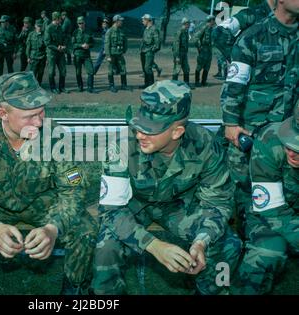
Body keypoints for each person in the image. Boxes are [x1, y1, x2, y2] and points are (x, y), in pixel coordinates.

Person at [0, 71, 98, 295]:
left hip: (45, 207)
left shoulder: (54, 135)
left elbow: (73, 190)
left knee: (86, 230)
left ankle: (73, 289)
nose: (38, 122)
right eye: (29, 116)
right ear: (3, 113)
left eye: (41, 112)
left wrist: (53, 228)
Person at [92, 80, 242, 295]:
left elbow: (218, 201)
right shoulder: (121, 147)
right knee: (106, 249)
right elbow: (111, 210)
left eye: (150, 130)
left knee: (228, 244)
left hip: (179, 205)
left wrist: (201, 241)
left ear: (176, 132)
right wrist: (153, 245)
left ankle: (212, 290)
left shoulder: (206, 145)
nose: (139, 135)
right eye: (137, 125)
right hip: (132, 205)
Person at [220, 0, 299, 235]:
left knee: (279, 185)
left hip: (287, 133)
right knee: (242, 187)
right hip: (249, 131)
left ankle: (274, 234)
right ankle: (239, 239)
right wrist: (231, 123)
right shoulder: (254, 36)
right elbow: (235, 83)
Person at [233, 103, 299, 295]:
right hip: (266, 211)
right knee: (268, 250)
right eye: (290, 142)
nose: (292, 152)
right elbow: (271, 210)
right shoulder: (270, 139)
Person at [44, 11, 69, 94]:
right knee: (51, 71)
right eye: (59, 19)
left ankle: (62, 87)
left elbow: (64, 38)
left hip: (60, 53)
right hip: (52, 53)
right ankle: (53, 88)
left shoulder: (60, 27)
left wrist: (64, 45)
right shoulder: (49, 28)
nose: (61, 20)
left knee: (63, 70)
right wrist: (56, 47)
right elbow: (47, 42)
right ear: (56, 19)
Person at [105, 15, 129, 93]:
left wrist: (124, 50)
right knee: (111, 70)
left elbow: (125, 41)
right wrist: (108, 55)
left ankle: (124, 85)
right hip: (112, 54)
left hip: (119, 53)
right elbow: (106, 44)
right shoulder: (110, 31)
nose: (122, 22)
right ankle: (111, 86)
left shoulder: (121, 31)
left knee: (123, 68)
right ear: (116, 21)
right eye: (120, 21)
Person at [72, 16, 96, 93]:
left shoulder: (89, 31)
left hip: (86, 55)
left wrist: (89, 45)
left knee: (91, 71)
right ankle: (80, 86)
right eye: (79, 23)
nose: (81, 25)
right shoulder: (75, 32)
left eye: (82, 23)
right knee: (78, 72)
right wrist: (81, 45)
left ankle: (90, 87)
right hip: (78, 55)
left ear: (84, 23)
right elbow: (72, 45)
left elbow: (93, 43)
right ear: (77, 23)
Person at [139, 14, 160, 89]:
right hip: (143, 51)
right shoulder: (146, 29)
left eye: (143, 20)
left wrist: (152, 51)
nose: (142, 21)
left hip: (149, 51)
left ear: (148, 20)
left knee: (148, 68)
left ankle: (151, 85)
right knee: (144, 68)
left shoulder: (154, 29)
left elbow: (157, 43)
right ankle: (146, 84)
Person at [194, 15, 215, 88]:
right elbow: (196, 37)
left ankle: (203, 82)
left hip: (209, 51)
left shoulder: (212, 29)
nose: (214, 21)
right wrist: (199, 47)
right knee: (199, 66)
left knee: (207, 66)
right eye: (213, 20)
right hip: (203, 51)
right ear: (210, 20)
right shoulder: (204, 28)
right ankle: (197, 82)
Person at [172, 18, 193, 88]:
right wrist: (177, 56)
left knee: (186, 69)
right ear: (185, 24)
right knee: (177, 69)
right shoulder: (179, 32)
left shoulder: (186, 32)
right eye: (189, 23)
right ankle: (173, 85)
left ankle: (186, 84)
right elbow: (176, 45)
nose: (190, 25)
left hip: (184, 54)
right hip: (179, 54)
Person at [26, 19, 46, 85]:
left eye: (41, 26)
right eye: (38, 26)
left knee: (41, 73)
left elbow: (47, 47)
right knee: (33, 72)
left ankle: (39, 84)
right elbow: (28, 47)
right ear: (35, 26)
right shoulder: (31, 34)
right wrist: (28, 57)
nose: (39, 27)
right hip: (33, 57)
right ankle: (32, 85)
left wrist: (47, 58)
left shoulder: (45, 35)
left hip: (42, 57)